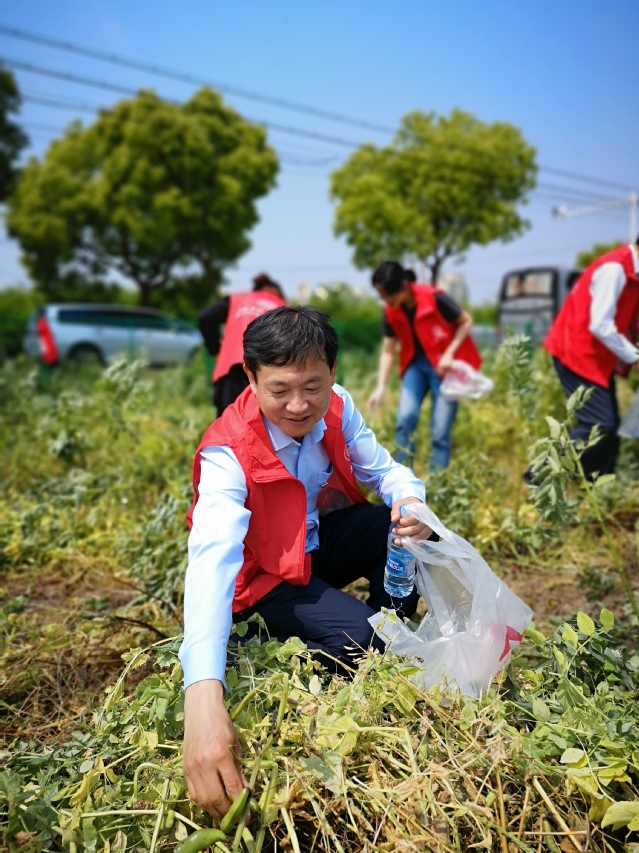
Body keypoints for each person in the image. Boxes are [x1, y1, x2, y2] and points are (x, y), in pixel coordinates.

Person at [180, 305, 434, 818]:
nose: (298, 406)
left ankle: (391, 638)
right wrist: (201, 695)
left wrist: (411, 502)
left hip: (308, 551)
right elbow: (212, 561)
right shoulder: (227, 453)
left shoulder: (337, 407)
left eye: (312, 386)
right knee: (361, 641)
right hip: (262, 578)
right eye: (280, 390)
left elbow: (386, 471)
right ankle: (265, 651)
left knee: (391, 527)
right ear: (250, 377)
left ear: (332, 373)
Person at [367, 260, 480, 470]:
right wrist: (381, 386)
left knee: (440, 430)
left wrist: (449, 353)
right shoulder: (390, 311)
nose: (386, 302)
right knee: (405, 419)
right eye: (381, 297)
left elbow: (466, 321)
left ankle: (437, 482)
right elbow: (388, 349)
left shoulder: (434, 298)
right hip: (415, 366)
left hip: (444, 368)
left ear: (403, 287)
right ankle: (402, 479)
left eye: (388, 296)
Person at [542, 239, 639, 480]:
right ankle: (538, 478)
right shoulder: (615, 269)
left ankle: (599, 484)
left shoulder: (631, 272)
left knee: (609, 429)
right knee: (598, 424)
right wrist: (635, 357)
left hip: (598, 358)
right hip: (577, 353)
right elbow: (601, 325)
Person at [198, 274, 286, 415]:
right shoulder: (282, 307)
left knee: (226, 422)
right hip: (263, 374)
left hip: (230, 372)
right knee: (259, 423)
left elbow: (206, 318)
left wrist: (215, 350)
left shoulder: (238, 299)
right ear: (278, 293)